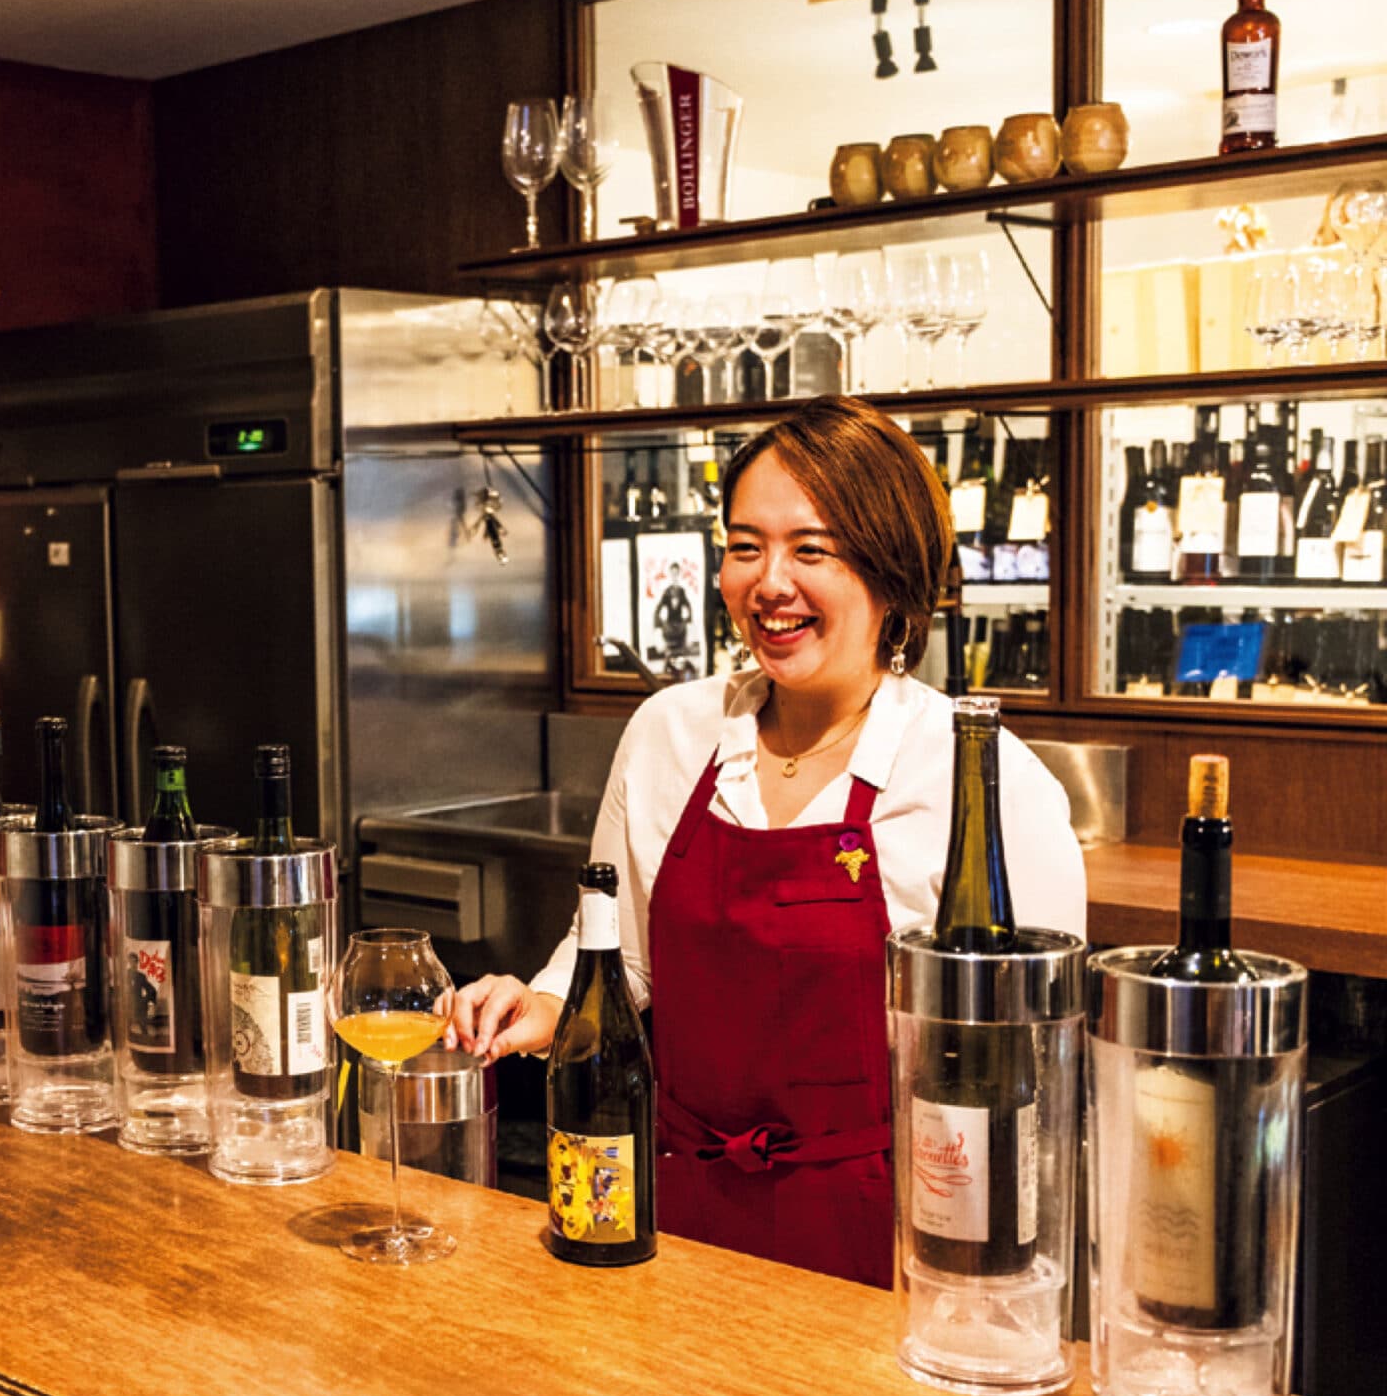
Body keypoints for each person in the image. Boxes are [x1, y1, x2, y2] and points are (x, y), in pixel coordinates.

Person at [451, 397, 1086, 1287]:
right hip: (670, 1223)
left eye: (810, 549)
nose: (769, 582)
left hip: (889, 1247)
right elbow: (622, 962)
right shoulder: (672, 731)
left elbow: (1027, 1081)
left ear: (892, 573)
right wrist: (544, 1001)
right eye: (745, 546)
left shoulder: (982, 777)